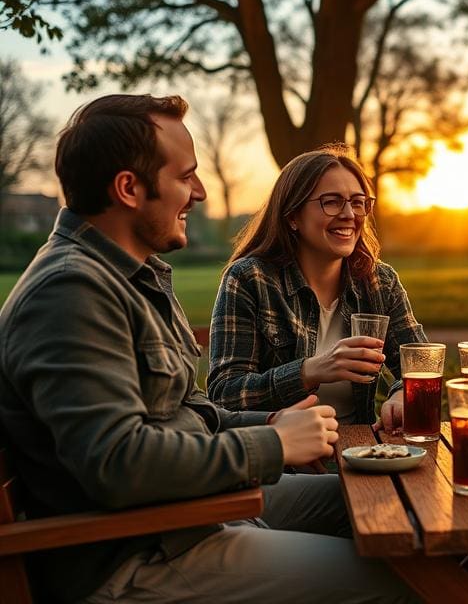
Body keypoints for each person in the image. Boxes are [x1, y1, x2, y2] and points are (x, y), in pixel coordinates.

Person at [0, 94, 414, 604]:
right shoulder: (70, 292)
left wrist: (271, 423)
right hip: (141, 553)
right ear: (129, 188)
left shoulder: (131, 278)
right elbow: (117, 464)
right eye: (185, 176)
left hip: (192, 510)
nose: (198, 193)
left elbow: (190, 414)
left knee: (393, 504)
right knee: (407, 580)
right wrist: (274, 445)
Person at [207, 147, 424, 431]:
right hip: (281, 453)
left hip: (360, 451)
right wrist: (309, 371)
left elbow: (422, 363)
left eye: (358, 202)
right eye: (331, 202)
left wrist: (402, 395)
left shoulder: (379, 282)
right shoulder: (250, 279)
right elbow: (225, 394)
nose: (349, 214)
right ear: (292, 216)